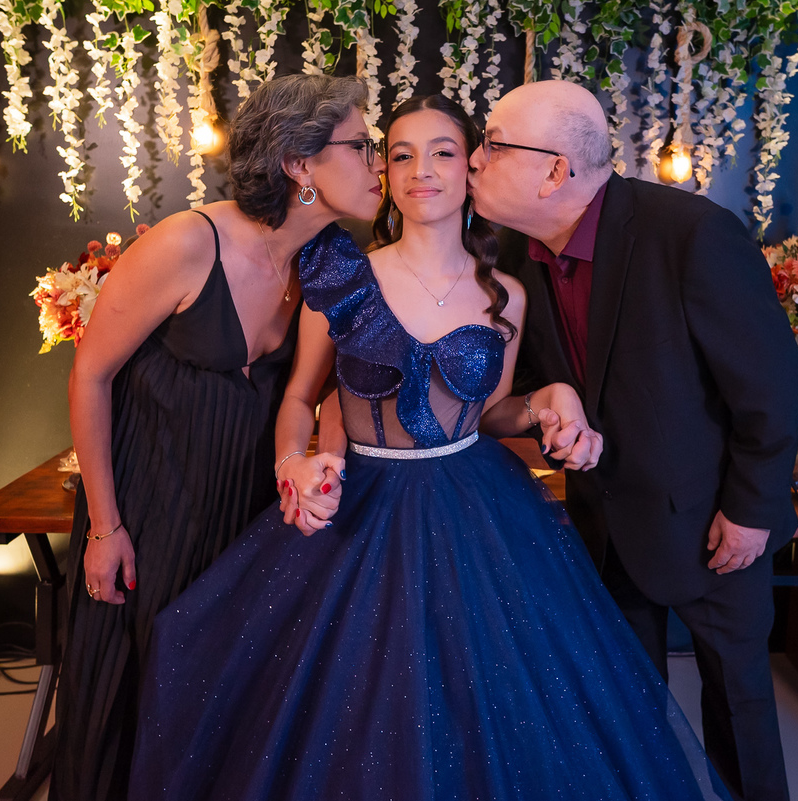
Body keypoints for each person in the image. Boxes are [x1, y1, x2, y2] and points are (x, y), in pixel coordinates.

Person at [130, 95, 729, 801]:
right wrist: (294, 461)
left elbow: (493, 410)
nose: (422, 171)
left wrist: (546, 401)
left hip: (476, 502)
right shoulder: (341, 274)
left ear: (473, 167)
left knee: (501, 697)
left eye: (444, 152)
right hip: (363, 503)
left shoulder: (507, 291)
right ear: (384, 170)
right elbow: (301, 397)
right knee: (347, 696)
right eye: (401, 153)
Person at [468, 80, 798, 801]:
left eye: (492, 145)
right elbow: (529, 386)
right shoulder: (518, 260)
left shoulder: (689, 233)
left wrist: (751, 511)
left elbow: (771, 387)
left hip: (715, 525)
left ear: (556, 169)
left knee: (739, 706)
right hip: (604, 521)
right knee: (624, 712)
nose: (473, 159)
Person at [50, 74, 383, 801]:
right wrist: (104, 527)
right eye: (362, 146)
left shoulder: (328, 260)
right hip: (152, 504)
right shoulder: (187, 242)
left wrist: (318, 463)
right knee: (133, 696)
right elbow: (91, 377)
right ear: (299, 164)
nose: (379, 163)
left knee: (222, 705)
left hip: (246, 512)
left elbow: (324, 390)